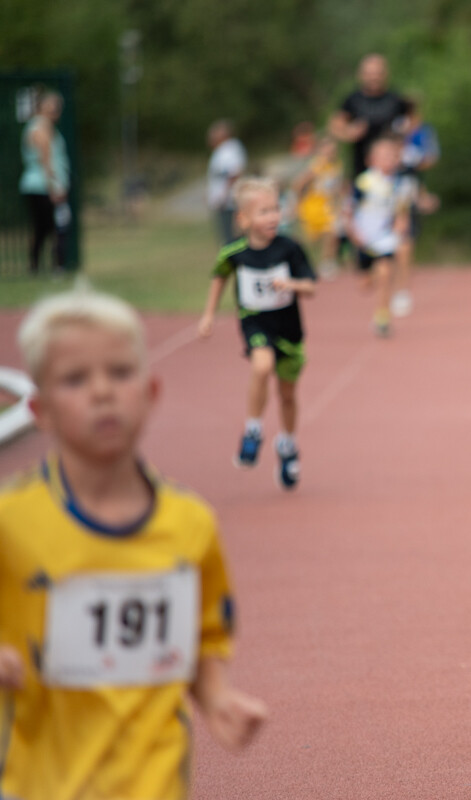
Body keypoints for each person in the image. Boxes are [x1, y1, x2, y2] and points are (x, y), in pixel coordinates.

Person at [0, 289, 267, 799]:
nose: (103, 392)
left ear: (151, 390)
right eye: (75, 380)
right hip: (40, 783)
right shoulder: (10, 523)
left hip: (154, 782)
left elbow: (204, 638)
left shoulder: (190, 525)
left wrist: (215, 697)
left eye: (121, 374)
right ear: (41, 410)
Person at [198, 178, 316, 489]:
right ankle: (253, 430)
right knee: (261, 366)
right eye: (264, 211)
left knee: (288, 395)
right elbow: (219, 277)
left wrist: (291, 285)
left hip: (289, 330)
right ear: (244, 219)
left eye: (275, 209)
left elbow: (311, 286)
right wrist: (209, 314)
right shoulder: (234, 252)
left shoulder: (290, 248)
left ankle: (287, 445)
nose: (273, 217)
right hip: (255, 323)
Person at [345, 135, 414, 337]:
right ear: (371, 159)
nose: (389, 159)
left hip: (384, 238)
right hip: (363, 238)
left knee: (385, 273)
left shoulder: (400, 184)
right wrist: (353, 233)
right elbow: (348, 212)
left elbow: (401, 212)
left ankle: (382, 317)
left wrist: (400, 226)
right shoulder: (364, 182)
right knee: (365, 285)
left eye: (393, 155)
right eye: (384, 155)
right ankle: (370, 276)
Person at [392, 99, 441, 318]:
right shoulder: (390, 131)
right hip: (381, 194)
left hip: (406, 193)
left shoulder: (422, 132)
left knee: (406, 242)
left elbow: (429, 160)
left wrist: (421, 193)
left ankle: (402, 289)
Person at [329, 53, 412, 180]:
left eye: (378, 73)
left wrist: (403, 137)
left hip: (393, 171)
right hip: (362, 170)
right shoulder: (353, 99)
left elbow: (413, 125)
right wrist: (349, 133)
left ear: (386, 74)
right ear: (361, 75)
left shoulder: (395, 98)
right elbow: (334, 125)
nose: (374, 77)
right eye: (370, 73)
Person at [18, 89, 70, 274]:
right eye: (53, 106)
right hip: (41, 185)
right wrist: (54, 187)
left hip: (37, 185)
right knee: (56, 226)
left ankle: (36, 266)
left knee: (41, 228)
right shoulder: (41, 127)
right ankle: (56, 265)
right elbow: (46, 159)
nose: (56, 111)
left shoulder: (38, 126)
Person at [292, 135, 347, 279]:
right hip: (312, 207)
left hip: (327, 207)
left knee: (331, 233)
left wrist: (340, 201)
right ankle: (299, 263)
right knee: (310, 241)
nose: (330, 153)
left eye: (332, 150)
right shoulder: (317, 165)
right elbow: (299, 184)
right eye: (326, 150)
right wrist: (297, 204)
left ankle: (326, 264)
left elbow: (337, 188)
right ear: (320, 151)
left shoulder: (336, 166)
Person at [206, 119, 247, 245]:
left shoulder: (229, 150)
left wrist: (223, 197)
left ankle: (235, 261)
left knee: (231, 236)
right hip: (225, 201)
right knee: (227, 236)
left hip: (228, 202)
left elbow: (234, 174)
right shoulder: (222, 150)